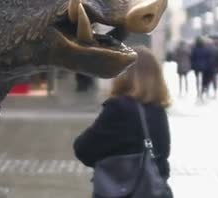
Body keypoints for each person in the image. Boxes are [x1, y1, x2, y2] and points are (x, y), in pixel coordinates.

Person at [73, 46, 172, 188]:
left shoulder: (119, 108)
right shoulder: (158, 110)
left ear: (123, 74)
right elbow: (162, 156)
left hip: (120, 190)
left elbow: (83, 149)